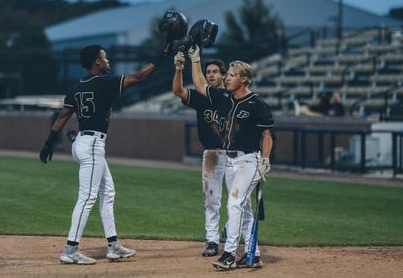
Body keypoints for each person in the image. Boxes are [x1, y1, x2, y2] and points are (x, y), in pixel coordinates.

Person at [39, 44, 168, 265]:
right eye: (104, 57)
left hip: (83, 142)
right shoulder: (106, 83)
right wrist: (164, 53)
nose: (107, 61)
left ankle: (113, 246)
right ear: (96, 62)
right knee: (87, 197)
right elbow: (139, 76)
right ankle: (70, 250)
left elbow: (62, 116)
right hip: (91, 145)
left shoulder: (76, 88)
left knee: (107, 191)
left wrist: (49, 142)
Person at [187, 46, 274, 270]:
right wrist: (195, 58)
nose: (227, 79)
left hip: (249, 161)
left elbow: (267, 135)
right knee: (243, 209)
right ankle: (253, 255)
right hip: (231, 161)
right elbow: (199, 84)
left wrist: (265, 159)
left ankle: (229, 253)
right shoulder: (225, 98)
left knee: (234, 203)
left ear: (244, 79)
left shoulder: (257, 104)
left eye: (233, 75)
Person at [172, 51, 228, 257]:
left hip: (235, 153)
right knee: (211, 199)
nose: (211, 75)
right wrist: (179, 68)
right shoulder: (201, 97)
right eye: (208, 72)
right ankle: (212, 241)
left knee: (240, 201)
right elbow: (177, 90)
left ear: (224, 75)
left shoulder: (230, 96)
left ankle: (230, 230)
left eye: (215, 72)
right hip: (212, 153)